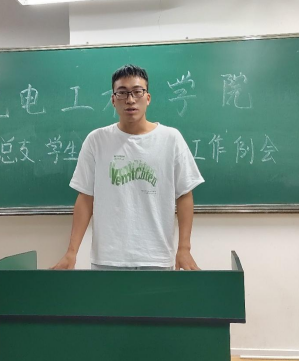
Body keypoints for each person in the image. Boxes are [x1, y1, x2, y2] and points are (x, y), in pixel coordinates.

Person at [51, 64, 204, 271]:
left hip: (156, 257)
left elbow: (185, 194)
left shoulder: (171, 139)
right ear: (113, 100)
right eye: (122, 93)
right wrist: (71, 252)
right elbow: (85, 198)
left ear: (147, 98)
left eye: (137, 92)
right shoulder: (97, 140)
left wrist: (184, 249)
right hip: (108, 259)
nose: (130, 100)